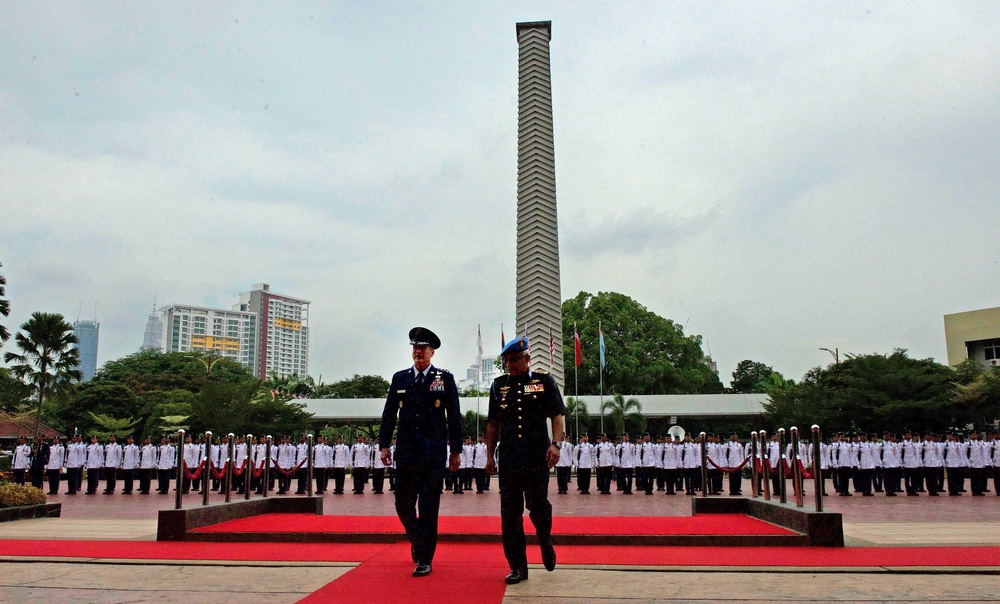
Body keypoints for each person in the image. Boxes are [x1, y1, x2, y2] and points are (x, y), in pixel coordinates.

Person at [379, 327, 463, 578]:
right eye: (414, 348)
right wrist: (384, 445)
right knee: (402, 504)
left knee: (428, 506)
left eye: (422, 348)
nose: (417, 352)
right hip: (405, 453)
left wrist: (455, 451)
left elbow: (454, 418)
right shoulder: (400, 378)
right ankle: (416, 537)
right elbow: (388, 414)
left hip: (432, 455)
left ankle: (425, 558)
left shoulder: (443, 379)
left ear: (432, 352)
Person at [485, 336, 564, 585]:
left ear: (527, 359)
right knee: (510, 515)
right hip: (509, 459)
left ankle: (544, 540)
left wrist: (556, 443)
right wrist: (489, 456)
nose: (510, 365)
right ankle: (518, 566)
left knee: (538, 506)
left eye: (514, 360)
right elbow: (493, 424)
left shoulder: (543, 381)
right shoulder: (498, 386)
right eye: (506, 361)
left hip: (536, 457)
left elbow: (557, 415)